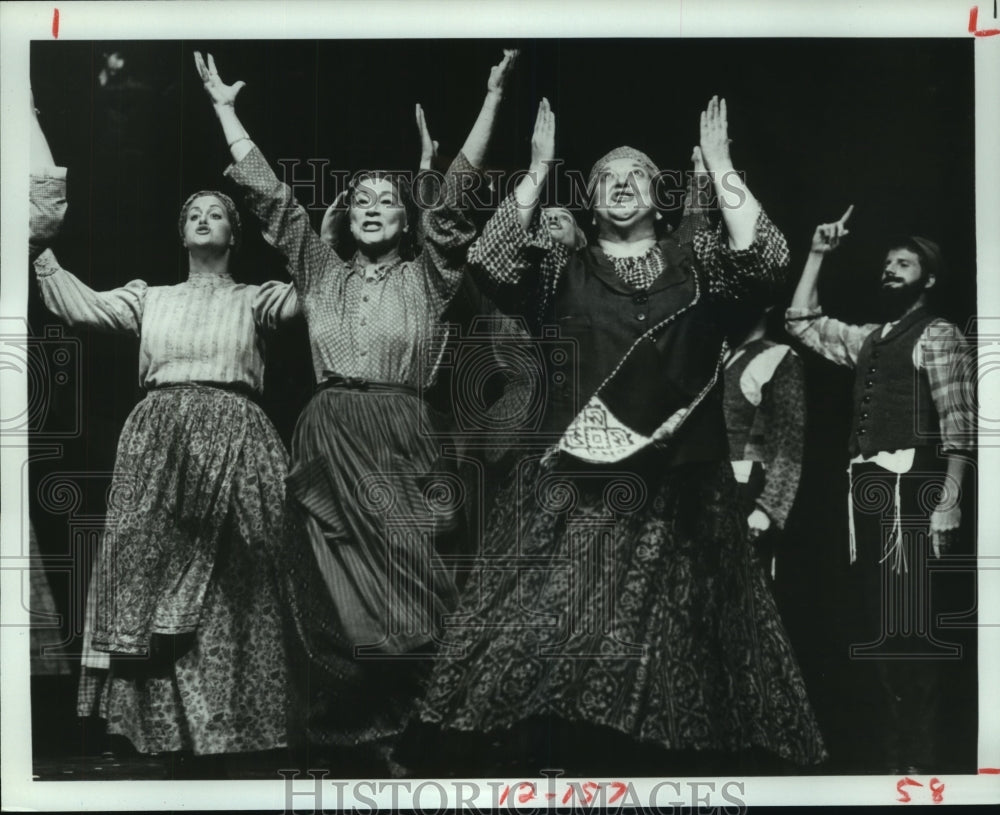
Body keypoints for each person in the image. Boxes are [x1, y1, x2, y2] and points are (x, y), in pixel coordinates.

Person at [403, 97, 827, 776]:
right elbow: (486, 260)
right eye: (605, 178)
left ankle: (648, 775)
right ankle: (561, 760)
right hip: (580, 488)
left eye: (637, 174)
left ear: (662, 199)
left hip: (683, 492)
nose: (622, 182)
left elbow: (770, 259)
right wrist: (539, 169)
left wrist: (720, 166)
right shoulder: (556, 273)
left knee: (675, 647)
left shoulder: (699, 267)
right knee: (567, 629)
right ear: (591, 201)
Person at [194, 49, 518, 765]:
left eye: (387, 199)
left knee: (418, 595)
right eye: (362, 198)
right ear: (347, 215)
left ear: (407, 221)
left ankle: (435, 727)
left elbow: (455, 198)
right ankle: (356, 739)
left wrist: (492, 101)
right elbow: (273, 200)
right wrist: (225, 110)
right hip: (330, 436)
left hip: (403, 438)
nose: (373, 206)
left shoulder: (433, 275)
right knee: (333, 600)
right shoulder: (319, 267)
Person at [33, 158, 301, 761]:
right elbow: (82, 308)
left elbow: (307, 304)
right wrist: (38, 253)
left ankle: (239, 730)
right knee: (143, 575)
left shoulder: (256, 299)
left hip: (237, 441)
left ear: (234, 234)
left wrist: (320, 249)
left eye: (217, 215)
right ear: (182, 234)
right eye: (194, 215)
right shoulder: (148, 297)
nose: (204, 221)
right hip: (159, 439)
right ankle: (141, 729)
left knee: (240, 581)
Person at [785, 208, 974, 774]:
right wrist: (818, 254)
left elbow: (959, 422)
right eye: (887, 263)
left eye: (904, 263)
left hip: (913, 493)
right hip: (868, 496)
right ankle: (897, 761)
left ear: (929, 278)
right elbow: (801, 322)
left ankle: (919, 764)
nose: (890, 270)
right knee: (878, 622)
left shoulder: (937, 335)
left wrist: (950, 497)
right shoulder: (873, 339)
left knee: (908, 627)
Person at [723, 306, 806, 578]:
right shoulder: (724, 355)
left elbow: (789, 443)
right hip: (712, 487)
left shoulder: (777, 356)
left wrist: (768, 508)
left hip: (745, 488)